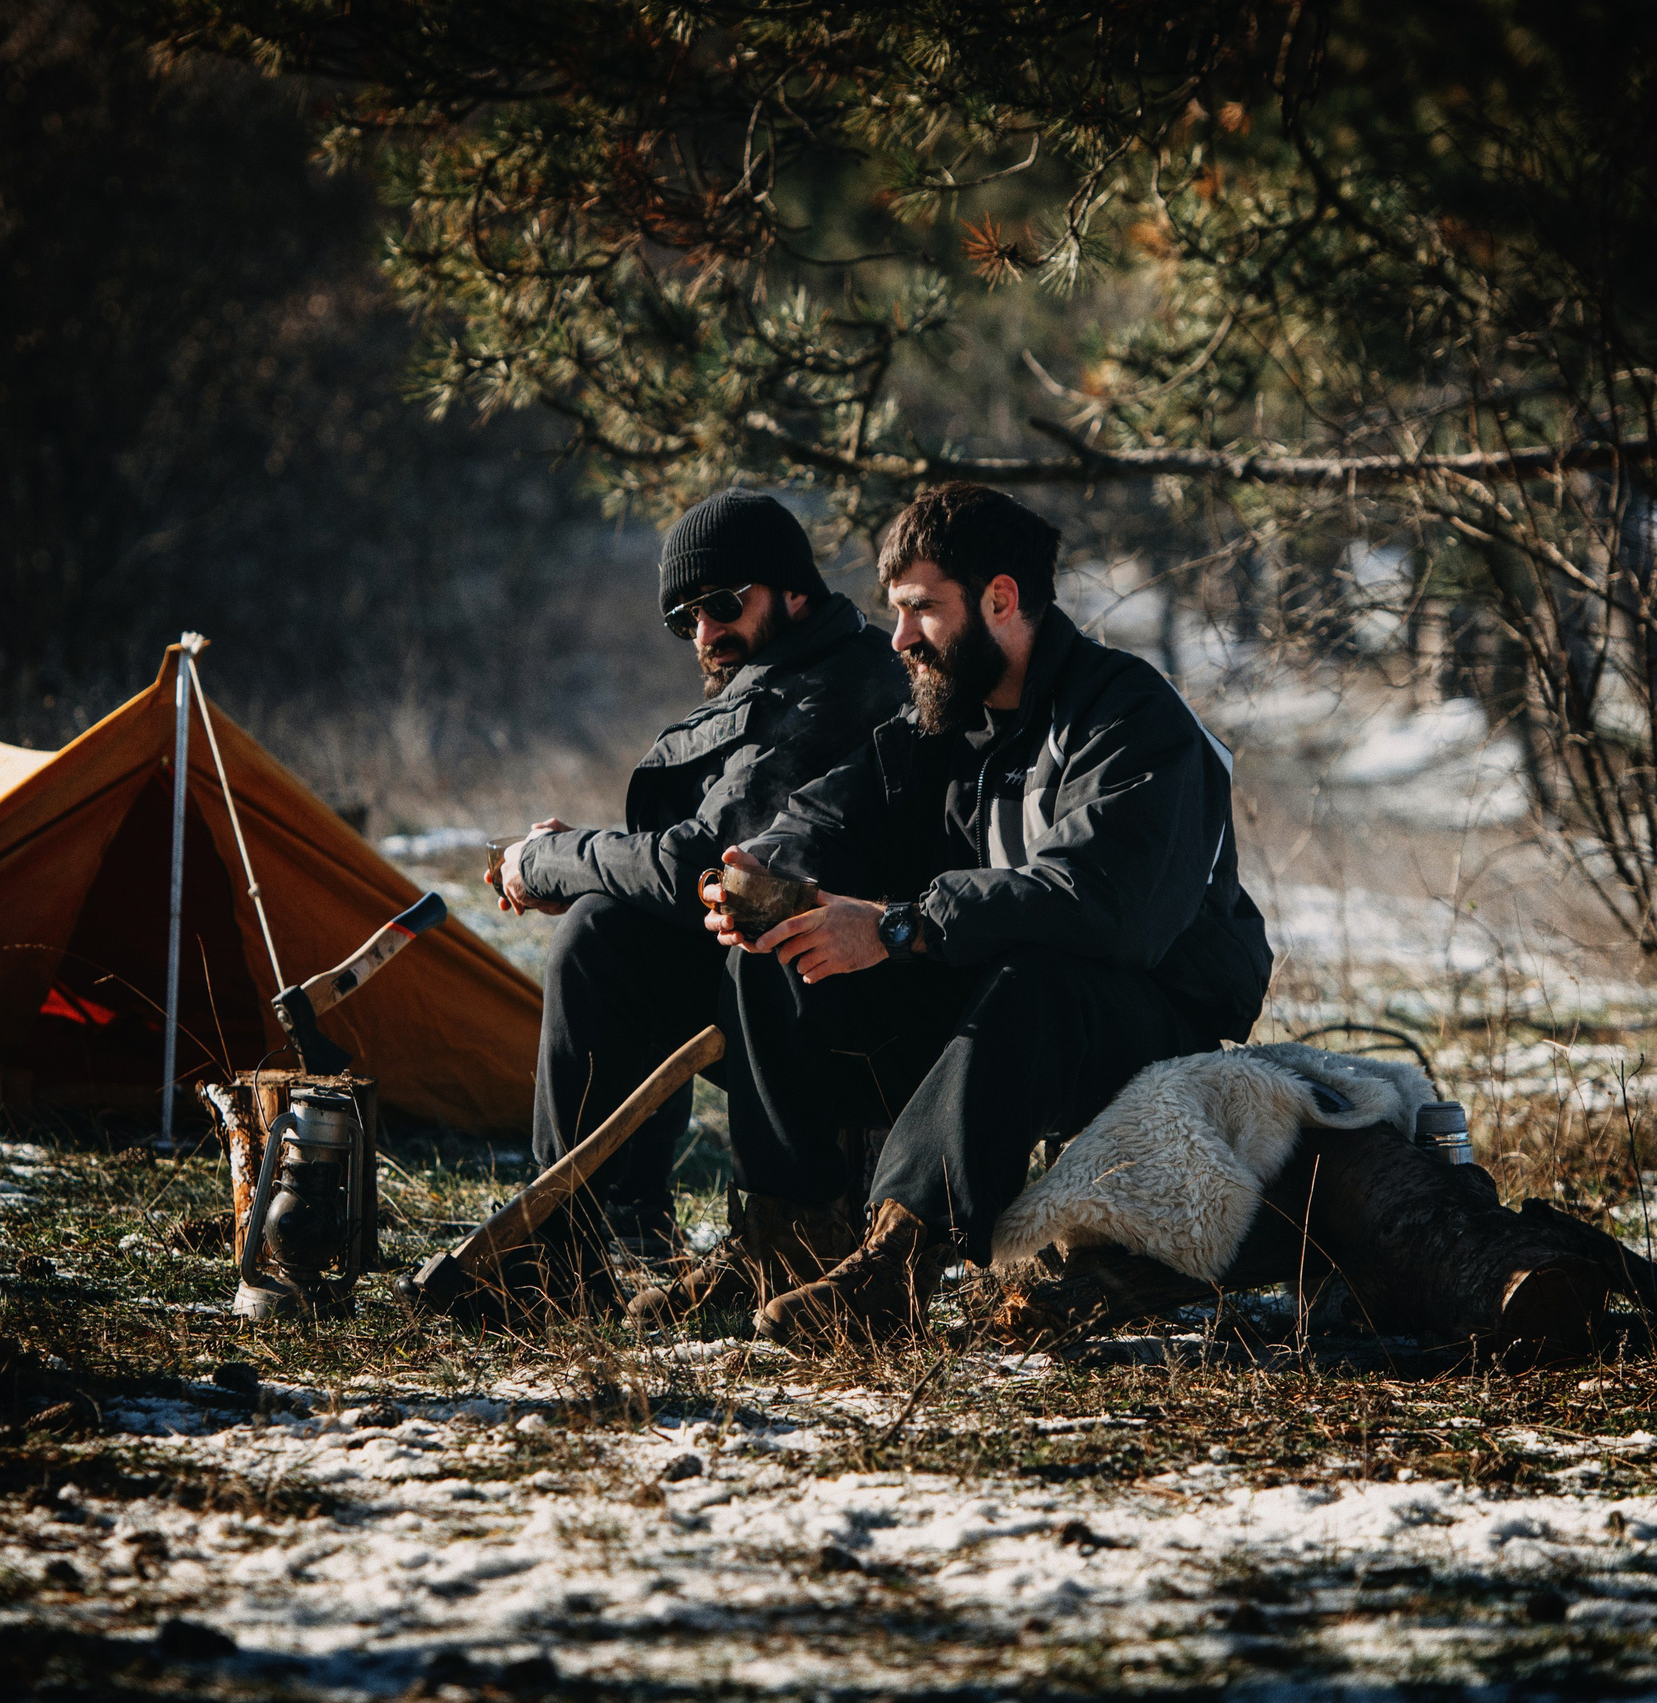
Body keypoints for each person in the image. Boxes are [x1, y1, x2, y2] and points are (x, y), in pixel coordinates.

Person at [637, 483, 1273, 1340]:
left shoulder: (1132, 717)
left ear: (1000, 599)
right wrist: (761, 874)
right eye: (895, 613)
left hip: (1146, 1018)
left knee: (1034, 976)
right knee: (783, 953)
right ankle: (784, 1242)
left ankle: (898, 1263)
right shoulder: (947, 719)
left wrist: (901, 924)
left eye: (919, 611)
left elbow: (1109, 908)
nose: (898, 639)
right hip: (1000, 1010)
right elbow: (833, 811)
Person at [491, 489, 906, 1254]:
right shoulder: (791, 672)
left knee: (603, 932)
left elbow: (702, 863)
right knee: (609, 926)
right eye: (686, 619)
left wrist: (550, 861)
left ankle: (581, 1237)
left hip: (862, 1006)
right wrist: (588, 869)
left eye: (722, 603)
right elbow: (683, 864)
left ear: (793, 589)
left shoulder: (834, 689)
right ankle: (599, 1233)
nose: (707, 632)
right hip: (786, 981)